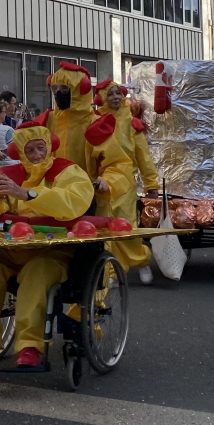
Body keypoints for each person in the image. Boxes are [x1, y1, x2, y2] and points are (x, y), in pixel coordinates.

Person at [0, 123, 95, 369]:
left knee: (38, 272)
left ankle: (29, 345)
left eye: (40, 148)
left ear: (49, 147)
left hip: (51, 250)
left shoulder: (68, 171)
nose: (36, 155)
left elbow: (75, 202)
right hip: (11, 248)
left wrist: (28, 194)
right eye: (30, 150)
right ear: (21, 153)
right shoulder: (7, 175)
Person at [33, 62, 132, 234]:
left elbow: (118, 163)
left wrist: (107, 181)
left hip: (85, 199)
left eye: (64, 88)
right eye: (55, 88)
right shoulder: (47, 120)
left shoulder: (95, 124)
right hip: (49, 196)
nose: (58, 93)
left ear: (81, 89)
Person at [93, 79, 155, 284]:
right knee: (106, 226)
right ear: (102, 97)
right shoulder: (95, 120)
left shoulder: (131, 123)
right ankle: (111, 270)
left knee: (126, 224)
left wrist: (151, 184)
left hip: (125, 181)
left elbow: (143, 156)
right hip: (101, 181)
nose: (115, 97)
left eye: (118, 93)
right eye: (110, 94)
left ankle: (140, 259)